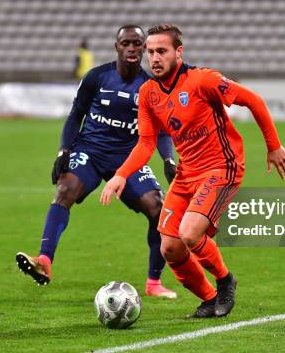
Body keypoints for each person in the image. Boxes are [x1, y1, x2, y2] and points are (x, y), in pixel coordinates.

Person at [101, 24, 285, 317]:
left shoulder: (202, 80)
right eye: (150, 52)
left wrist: (274, 146)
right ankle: (209, 299)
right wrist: (121, 174)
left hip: (222, 167)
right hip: (186, 173)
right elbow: (145, 143)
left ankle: (226, 282)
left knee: (190, 234)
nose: (154, 58)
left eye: (161, 51)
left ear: (178, 52)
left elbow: (253, 100)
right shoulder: (149, 92)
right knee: (170, 248)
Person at [17, 25, 178, 298]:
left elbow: (162, 131)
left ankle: (154, 283)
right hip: (90, 151)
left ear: (143, 48)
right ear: (117, 46)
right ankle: (44, 261)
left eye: (137, 44)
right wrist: (63, 151)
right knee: (65, 190)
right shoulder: (96, 77)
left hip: (128, 158)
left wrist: (168, 159)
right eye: (126, 43)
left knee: (158, 208)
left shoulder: (151, 87)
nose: (131, 48)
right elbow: (75, 115)